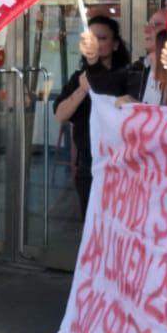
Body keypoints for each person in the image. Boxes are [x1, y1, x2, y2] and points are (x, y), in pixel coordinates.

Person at [53, 15, 131, 217]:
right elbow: (61, 115)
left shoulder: (127, 75)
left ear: (115, 45)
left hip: (120, 163)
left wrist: (95, 75)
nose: (95, 44)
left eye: (102, 38)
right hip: (88, 164)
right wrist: (82, 90)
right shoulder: (79, 77)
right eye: (91, 38)